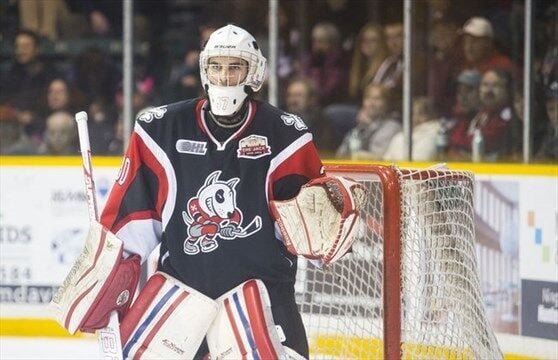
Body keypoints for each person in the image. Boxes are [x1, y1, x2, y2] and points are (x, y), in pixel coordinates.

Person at [98, 25, 324, 358]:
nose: (224, 76)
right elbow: (132, 218)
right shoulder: (162, 128)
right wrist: (106, 271)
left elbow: (313, 225)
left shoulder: (285, 134)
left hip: (262, 293)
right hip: (184, 293)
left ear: (254, 72)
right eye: (216, 66)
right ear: (205, 70)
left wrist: (329, 228)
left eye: (235, 67)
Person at [449, 68, 520, 161]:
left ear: (506, 90)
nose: (488, 91)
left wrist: (458, 142)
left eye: (495, 85)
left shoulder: (507, 116)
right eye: (485, 85)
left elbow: (487, 141)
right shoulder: (480, 113)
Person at [336, 83, 401, 160]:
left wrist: (370, 125)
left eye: (377, 99)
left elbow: (378, 157)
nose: (371, 103)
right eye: (368, 98)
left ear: (386, 103)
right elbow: (340, 154)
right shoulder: (360, 127)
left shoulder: (392, 127)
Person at [383, 96, 442, 161]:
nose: (410, 117)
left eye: (414, 113)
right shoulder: (400, 137)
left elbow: (420, 161)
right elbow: (386, 159)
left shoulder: (434, 134)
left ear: (426, 116)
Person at [285, 77, 333, 154]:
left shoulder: (321, 121)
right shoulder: (280, 118)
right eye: (289, 95)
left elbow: (325, 149)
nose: (292, 100)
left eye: (298, 95)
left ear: (311, 99)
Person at [348, 23, 388, 102]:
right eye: (364, 40)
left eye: (373, 40)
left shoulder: (385, 66)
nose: (367, 44)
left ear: (382, 42)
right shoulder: (358, 67)